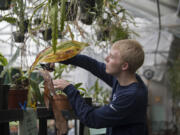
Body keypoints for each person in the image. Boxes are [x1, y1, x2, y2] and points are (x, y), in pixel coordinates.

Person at [53, 39, 148, 135]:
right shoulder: (124, 79)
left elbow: (92, 119)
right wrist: (60, 57)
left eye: (111, 57)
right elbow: (92, 65)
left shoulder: (131, 96)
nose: (106, 58)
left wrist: (69, 89)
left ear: (124, 66)